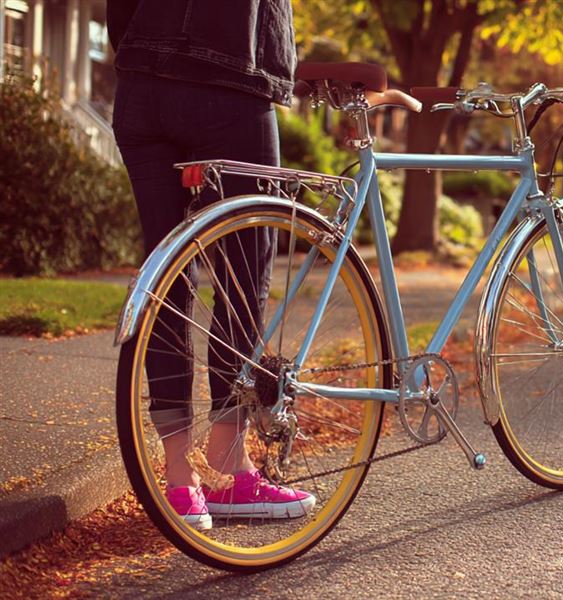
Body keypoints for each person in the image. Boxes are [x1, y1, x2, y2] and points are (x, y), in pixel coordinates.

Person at [108, 0, 313, 531]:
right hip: (229, 78)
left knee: (165, 273)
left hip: (140, 81)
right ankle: (229, 462)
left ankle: (179, 480)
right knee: (245, 270)